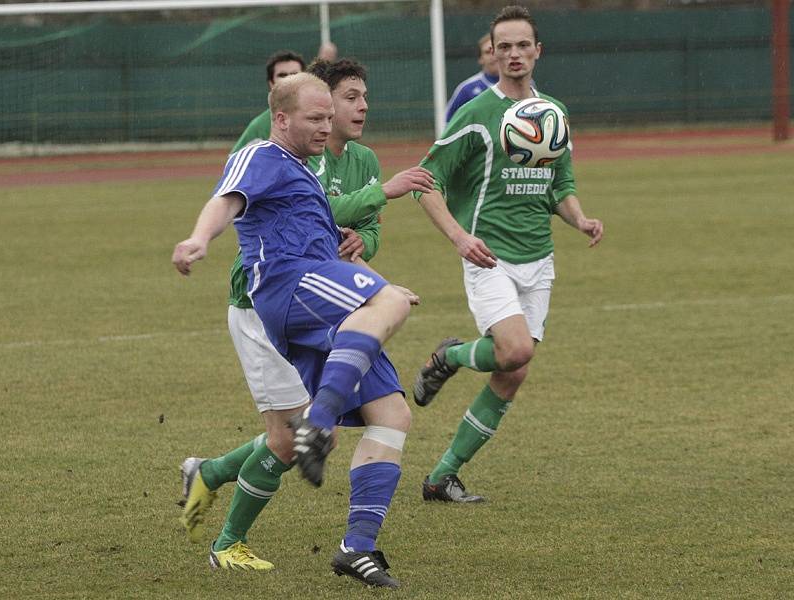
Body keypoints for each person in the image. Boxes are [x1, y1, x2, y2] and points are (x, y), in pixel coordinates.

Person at [174, 73, 433, 588]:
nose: (327, 125)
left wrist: (338, 237)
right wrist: (199, 237)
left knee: (393, 415)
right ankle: (230, 539)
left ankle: (356, 548)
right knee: (387, 300)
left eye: (328, 117)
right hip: (289, 289)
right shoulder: (261, 154)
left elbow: (300, 220)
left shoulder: (305, 168)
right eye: (317, 118)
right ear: (281, 118)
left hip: (319, 294)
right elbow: (227, 200)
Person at [412, 5, 604, 503]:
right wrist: (459, 238)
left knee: (512, 371)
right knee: (515, 350)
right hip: (488, 256)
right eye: (505, 47)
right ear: (492, 54)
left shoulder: (554, 112)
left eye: (523, 45)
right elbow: (424, 182)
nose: (514, 54)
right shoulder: (477, 114)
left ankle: (441, 476)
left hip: (539, 257)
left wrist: (579, 218)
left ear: (537, 51)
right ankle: (449, 355)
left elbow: (559, 181)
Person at [231, 50, 306, 152]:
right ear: (271, 83)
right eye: (282, 75)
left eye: (294, 74)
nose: (289, 79)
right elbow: (235, 162)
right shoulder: (259, 127)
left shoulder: (322, 116)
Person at [445, 34, 499, 123]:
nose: (492, 56)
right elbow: (449, 121)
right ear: (480, 58)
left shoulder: (524, 85)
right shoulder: (467, 89)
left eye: (495, 51)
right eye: (487, 52)